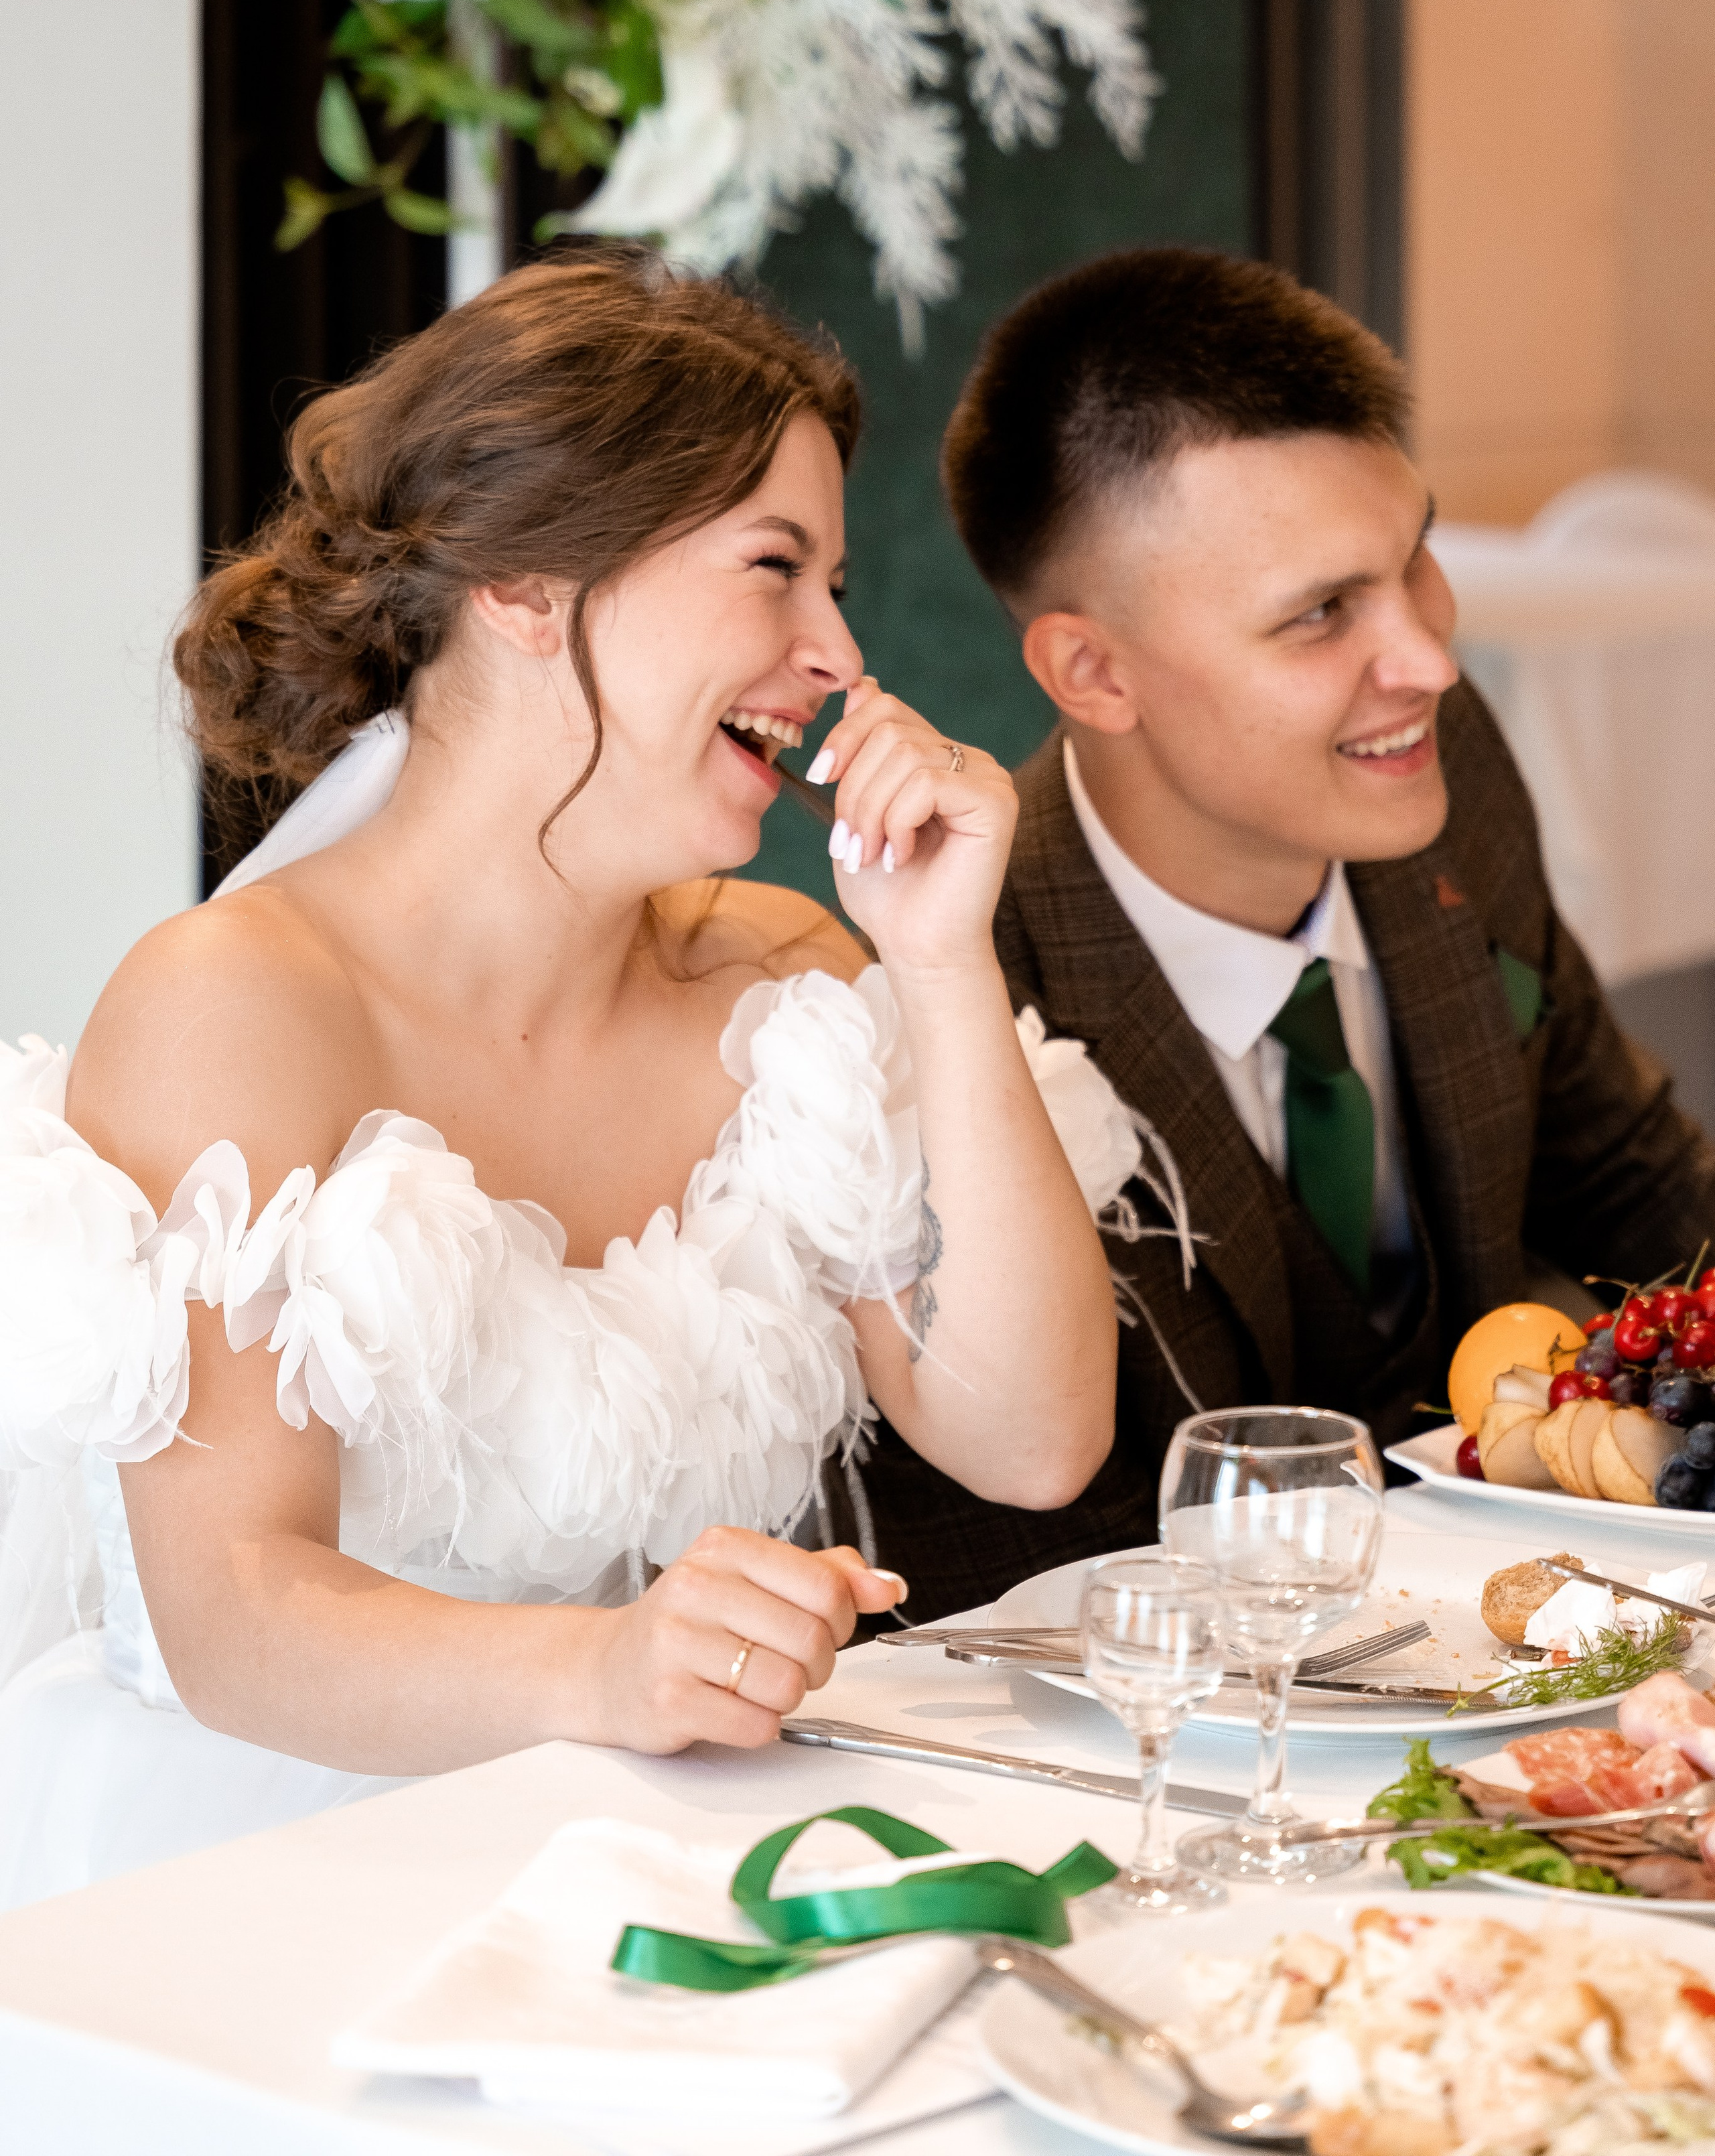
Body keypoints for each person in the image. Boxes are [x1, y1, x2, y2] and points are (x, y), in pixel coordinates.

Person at [0, 251, 1137, 1909]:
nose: (835, 651)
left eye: (830, 584)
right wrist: (604, 1672)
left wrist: (942, 962)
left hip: (633, 1853)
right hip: (251, 1871)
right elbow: (229, 1608)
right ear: (527, 584)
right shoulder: (232, 1008)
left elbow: (1030, 1441)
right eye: (774, 569)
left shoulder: (780, 977)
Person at [847, 245, 1715, 1618]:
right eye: (1320, 614)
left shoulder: (1444, 770)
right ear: (1092, 670)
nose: (1427, 659)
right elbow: (973, 1570)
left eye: (1411, 557)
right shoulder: (960, 986)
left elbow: (1630, 1186)